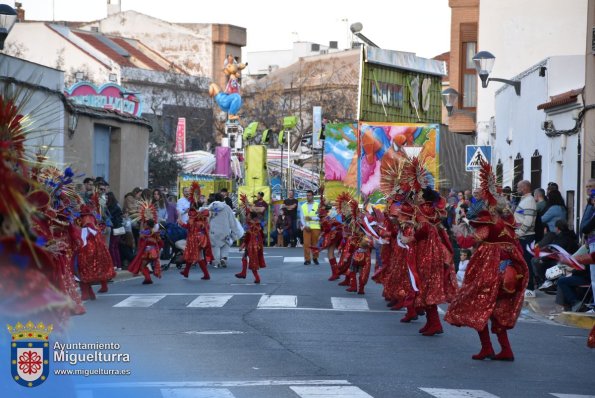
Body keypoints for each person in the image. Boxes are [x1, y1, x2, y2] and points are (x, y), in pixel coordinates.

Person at [446, 159, 528, 361]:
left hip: (489, 269)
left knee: (479, 305)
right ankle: (505, 349)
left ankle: (487, 348)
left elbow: (468, 242)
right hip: (508, 269)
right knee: (496, 309)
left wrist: (458, 232)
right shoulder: (507, 222)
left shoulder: (488, 224)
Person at [178, 182, 213, 280]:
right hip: (201, 237)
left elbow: (189, 226)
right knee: (192, 254)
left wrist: (181, 223)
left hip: (195, 238)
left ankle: (206, 274)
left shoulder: (194, 215)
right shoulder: (202, 213)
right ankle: (186, 272)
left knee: (197, 256)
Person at [514, 180, 537, 297]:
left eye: (518, 187)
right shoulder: (525, 199)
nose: (517, 189)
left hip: (526, 237)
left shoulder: (529, 200)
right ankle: (524, 286)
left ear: (524, 188)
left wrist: (519, 233)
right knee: (522, 263)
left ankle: (530, 288)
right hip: (523, 236)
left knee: (527, 263)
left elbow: (528, 220)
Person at [236, 194, 266, 283]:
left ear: (251, 216)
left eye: (248, 215)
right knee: (246, 259)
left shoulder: (250, 225)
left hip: (251, 246)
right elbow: (262, 235)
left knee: (252, 262)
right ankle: (244, 273)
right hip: (257, 245)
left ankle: (256, 277)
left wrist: (242, 245)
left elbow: (248, 237)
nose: (246, 216)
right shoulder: (257, 223)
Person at [208, 193, 242, 268]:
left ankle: (217, 262)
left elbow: (207, 218)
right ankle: (224, 258)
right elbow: (232, 220)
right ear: (223, 199)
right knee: (226, 244)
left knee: (215, 246)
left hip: (213, 230)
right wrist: (235, 231)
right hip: (225, 229)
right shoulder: (227, 207)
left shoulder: (210, 207)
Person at [128, 216, 163, 285]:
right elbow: (160, 242)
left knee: (142, 266)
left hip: (148, 252)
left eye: (145, 223)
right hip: (154, 251)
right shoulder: (154, 231)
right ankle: (147, 278)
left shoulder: (148, 231)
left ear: (148, 225)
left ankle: (148, 279)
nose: (144, 224)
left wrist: (141, 223)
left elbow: (141, 235)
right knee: (143, 265)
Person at [300, 190, 321, 265]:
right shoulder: (303, 206)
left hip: (316, 227)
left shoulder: (317, 205)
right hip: (306, 227)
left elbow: (320, 217)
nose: (308, 197)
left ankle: (315, 258)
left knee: (315, 244)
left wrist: (312, 218)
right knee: (306, 244)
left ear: (312, 196)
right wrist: (305, 226)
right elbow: (302, 218)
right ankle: (307, 259)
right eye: (307, 195)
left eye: (309, 195)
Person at [106, 192, 123, 271]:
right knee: (116, 247)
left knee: (112, 246)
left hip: (115, 228)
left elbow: (109, 215)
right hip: (119, 228)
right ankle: (118, 265)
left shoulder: (112, 207)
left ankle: (114, 264)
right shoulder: (117, 206)